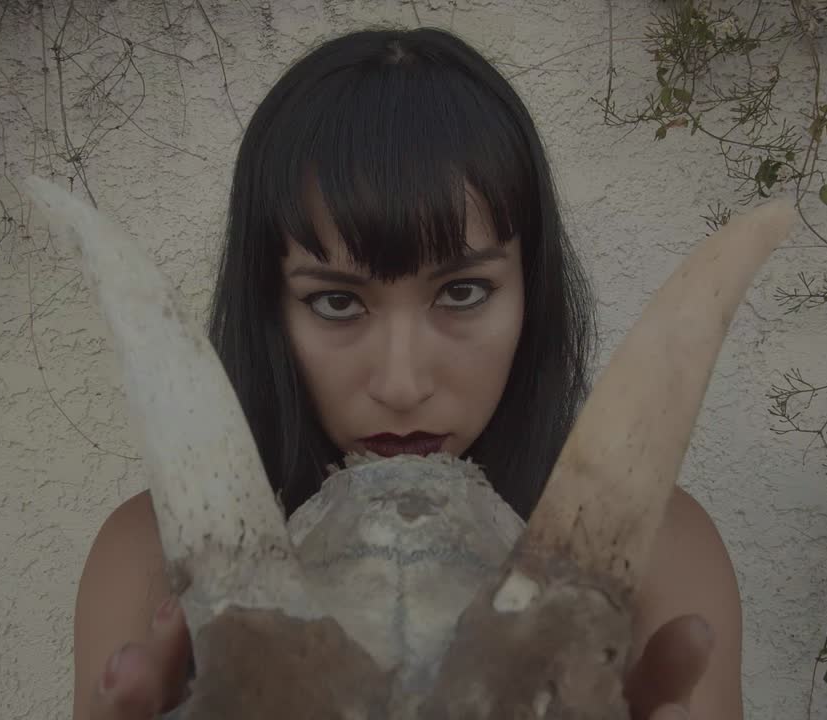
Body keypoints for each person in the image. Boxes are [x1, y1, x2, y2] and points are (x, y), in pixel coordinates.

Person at [72, 26, 742, 720]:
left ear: (529, 292)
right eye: (336, 301)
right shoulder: (147, 561)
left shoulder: (659, 552)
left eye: (462, 293)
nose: (400, 383)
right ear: (270, 307)